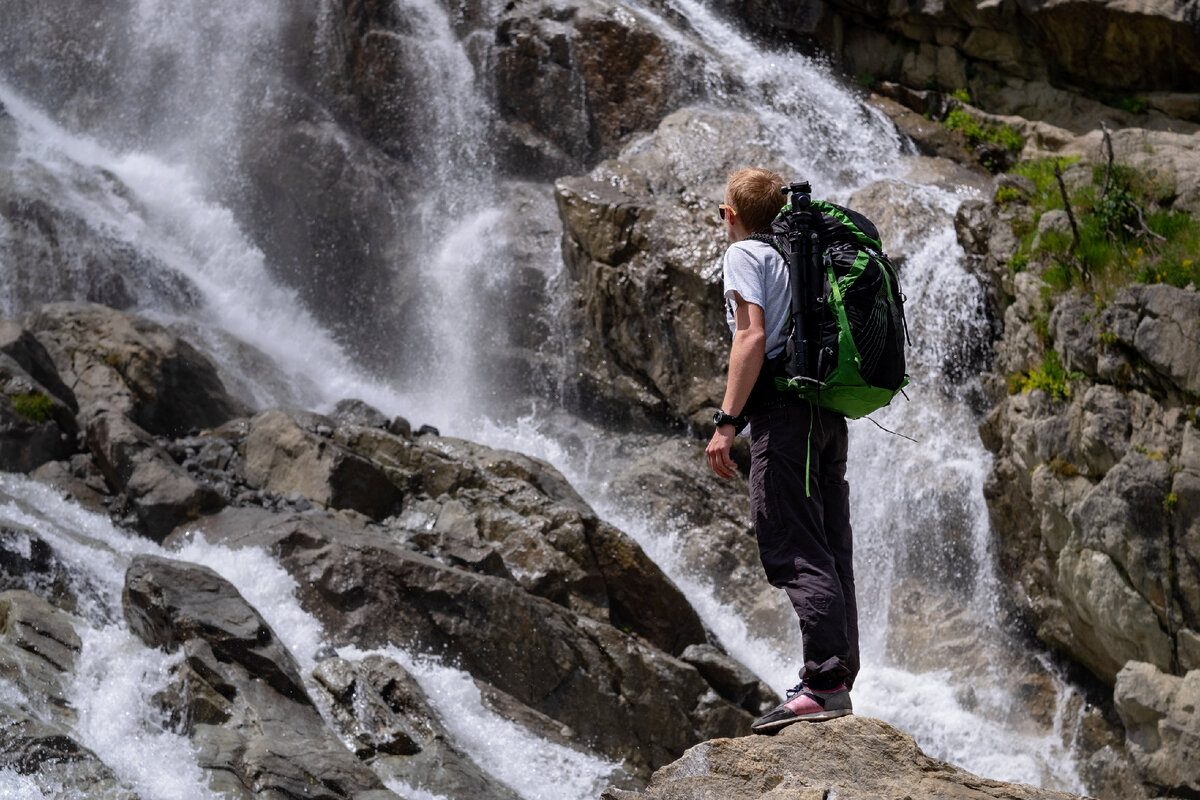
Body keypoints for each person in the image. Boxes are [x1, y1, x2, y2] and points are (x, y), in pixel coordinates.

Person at [705, 167, 858, 732]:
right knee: (829, 544)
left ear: (731, 214)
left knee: (793, 543)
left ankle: (822, 683)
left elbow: (751, 336)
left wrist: (727, 423)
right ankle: (838, 678)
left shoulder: (745, 253)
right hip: (825, 414)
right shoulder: (803, 253)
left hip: (784, 419)